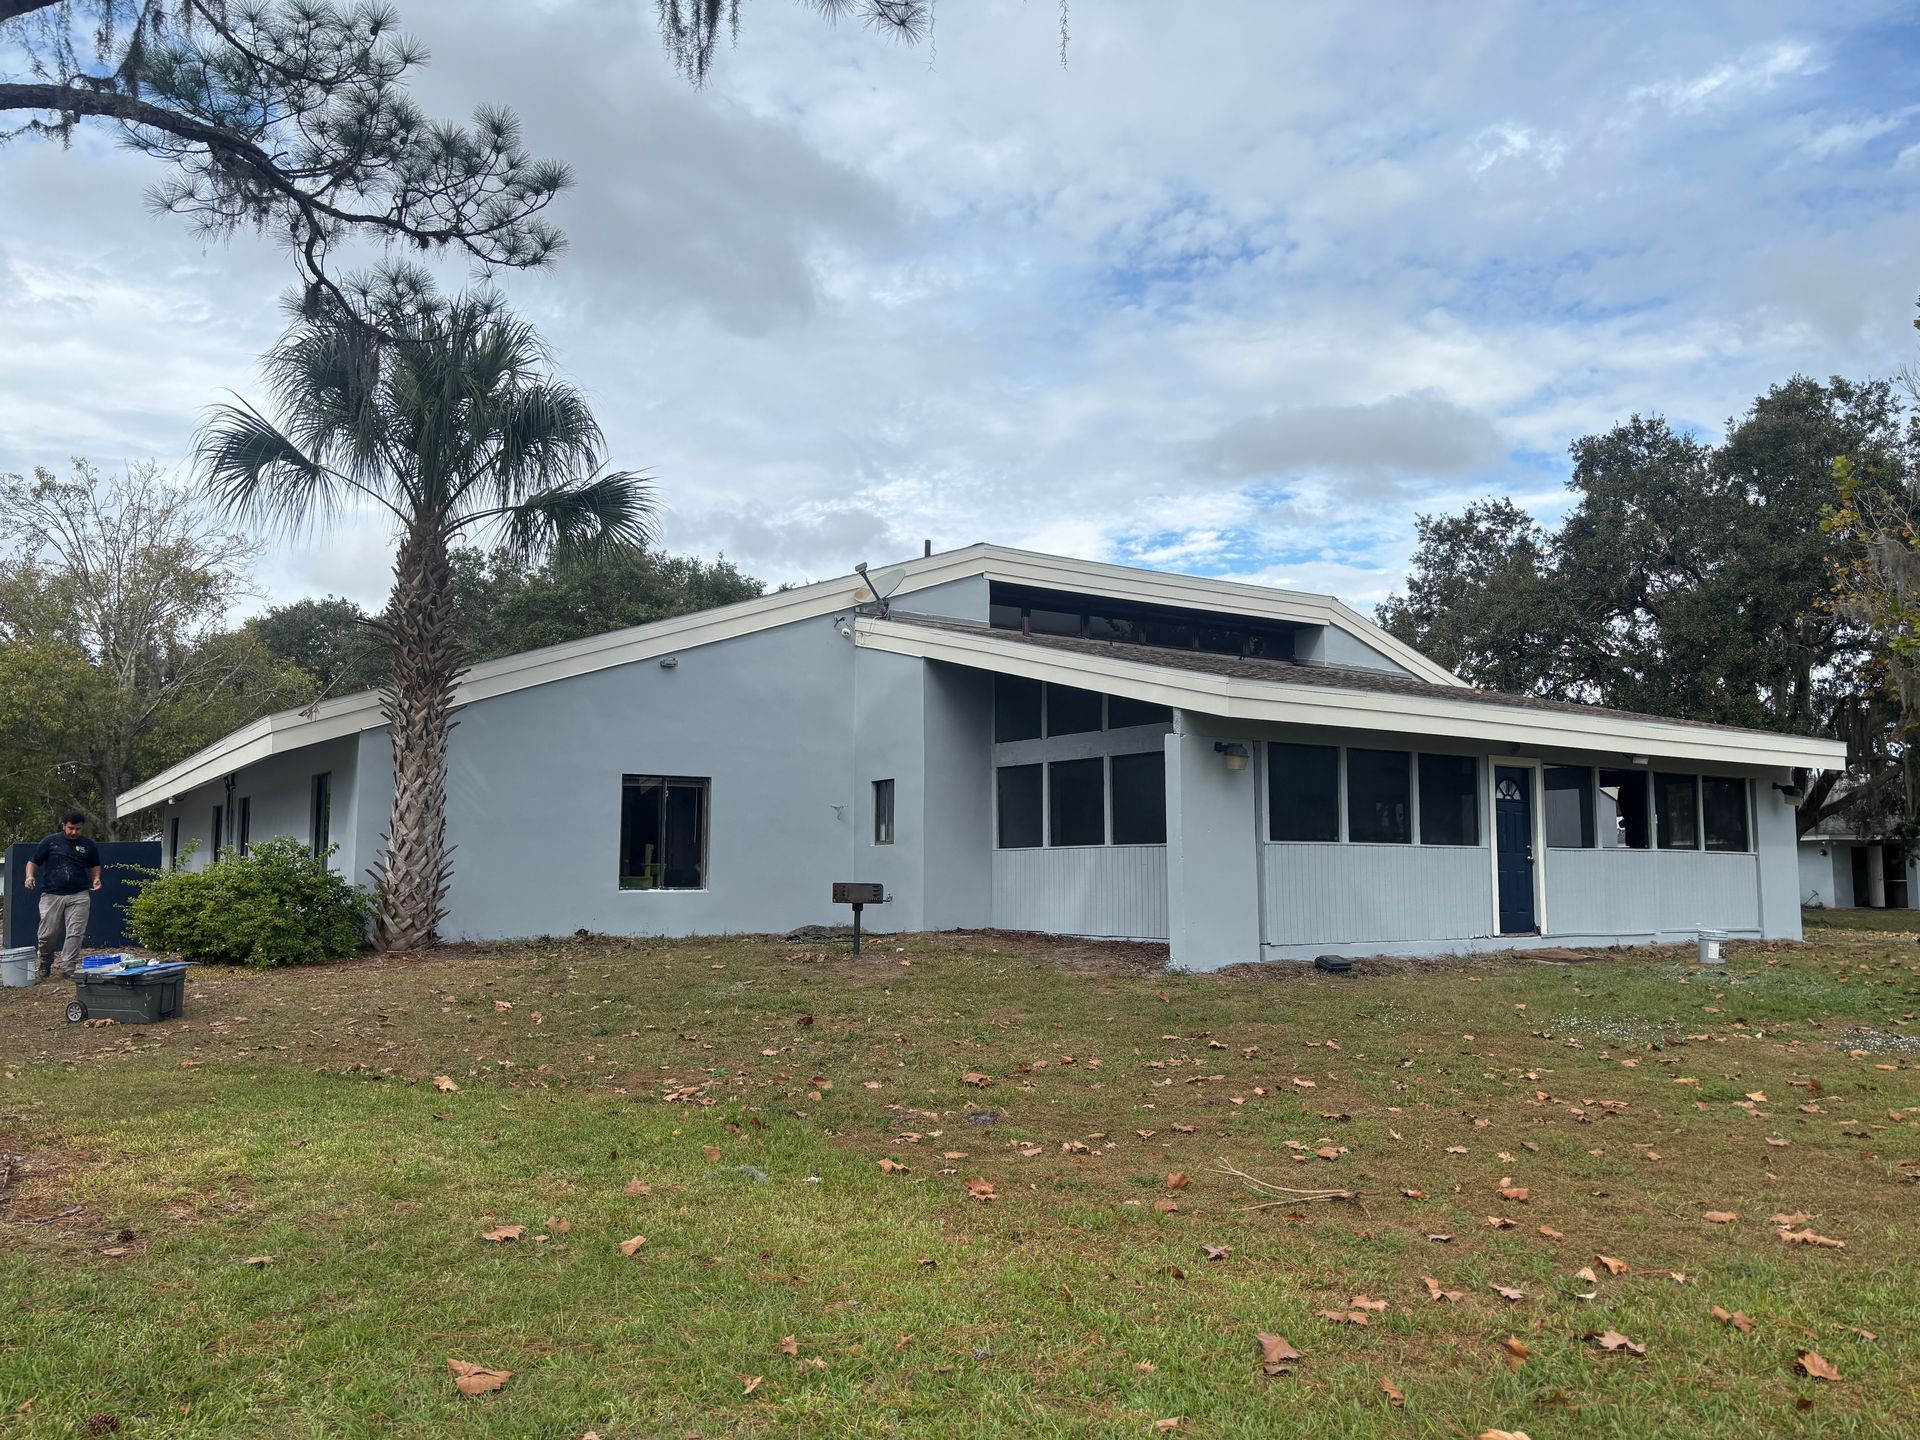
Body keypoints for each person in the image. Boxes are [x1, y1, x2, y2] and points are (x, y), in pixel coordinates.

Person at [26, 813, 102, 981]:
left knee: (76, 932)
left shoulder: (88, 845)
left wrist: (96, 878)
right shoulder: (50, 841)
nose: (74, 832)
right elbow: (33, 861)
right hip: (52, 894)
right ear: (63, 825)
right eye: (71, 828)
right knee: (48, 933)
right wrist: (30, 876)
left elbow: (94, 865)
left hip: (79, 894)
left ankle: (68, 967)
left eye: (78, 829)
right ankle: (45, 961)